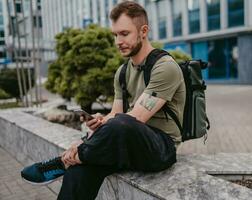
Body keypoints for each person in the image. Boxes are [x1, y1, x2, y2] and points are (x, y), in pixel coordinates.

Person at [21, 1, 186, 199]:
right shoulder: (123, 72)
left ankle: (63, 161)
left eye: (124, 34)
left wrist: (83, 145)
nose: (117, 41)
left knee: (121, 124)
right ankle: (73, 162)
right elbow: (116, 114)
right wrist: (100, 121)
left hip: (159, 148)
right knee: (79, 170)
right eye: (115, 35)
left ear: (143, 31)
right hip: (124, 143)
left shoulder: (165, 67)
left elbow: (134, 119)